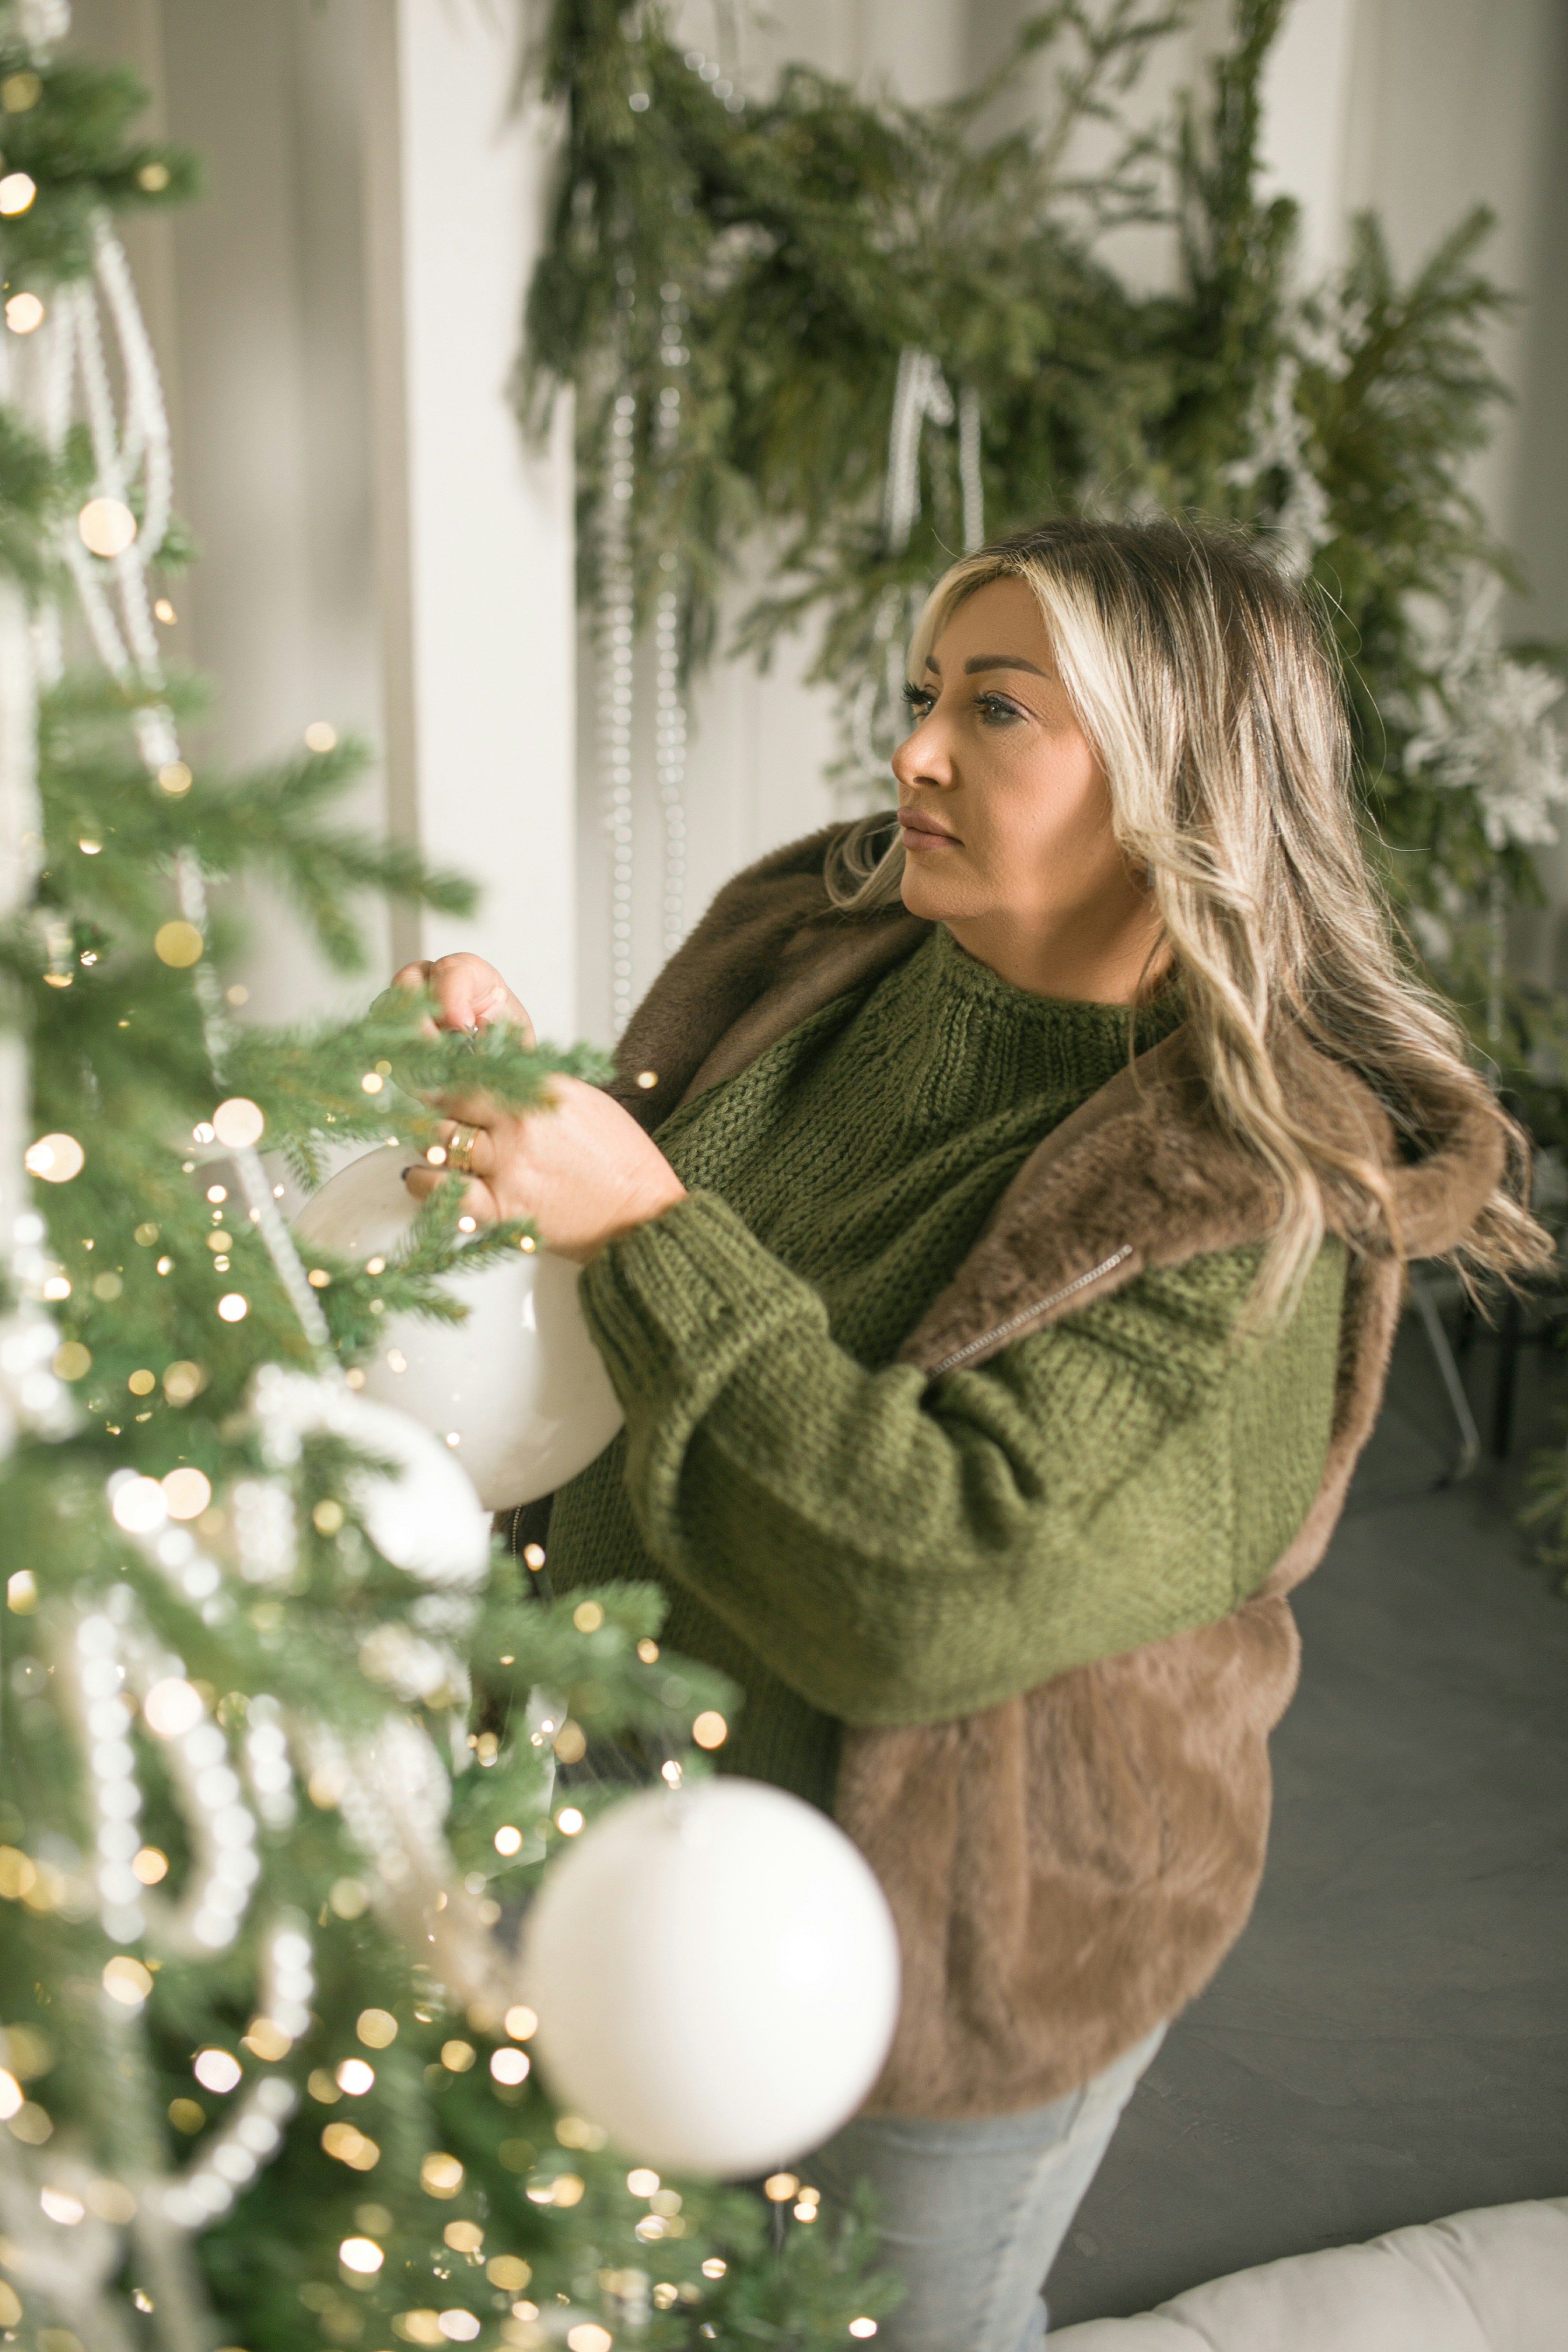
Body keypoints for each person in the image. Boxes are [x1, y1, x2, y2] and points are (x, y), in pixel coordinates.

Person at [394, 518, 1548, 2351]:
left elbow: (928, 1590)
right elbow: (668, 1264)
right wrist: (531, 1130)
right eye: (925, 695)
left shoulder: (1252, 1193)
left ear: (1181, 782)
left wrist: (632, 1221)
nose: (915, 752)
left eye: (994, 711)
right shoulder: (835, 936)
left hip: (947, 1950)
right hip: (627, 1825)